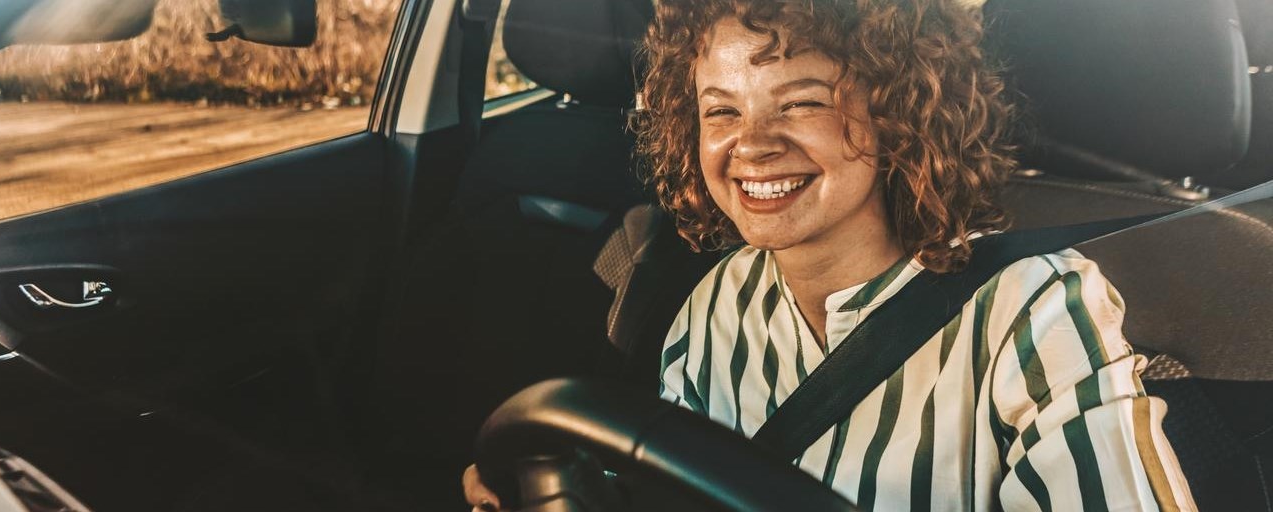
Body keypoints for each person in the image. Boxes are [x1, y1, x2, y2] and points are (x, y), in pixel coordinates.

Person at [466, 0, 1196, 509]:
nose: (751, 143)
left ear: (900, 110)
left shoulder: (1031, 313)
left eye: (801, 102)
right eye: (721, 109)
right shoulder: (713, 303)